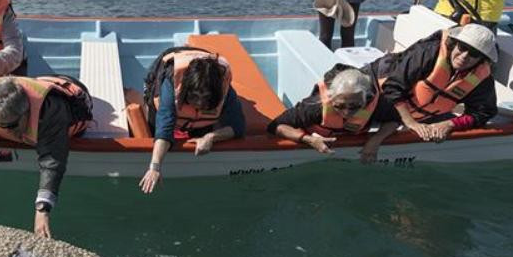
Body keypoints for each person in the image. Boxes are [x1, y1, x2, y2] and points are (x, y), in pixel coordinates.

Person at [0, 74, 92, 238]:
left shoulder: (51, 111)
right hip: (38, 82)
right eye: (0, 125)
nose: (8, 131)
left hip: (72, 90)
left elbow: (52, 162)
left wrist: (42, 210)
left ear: (27, 112)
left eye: (12, 125)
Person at [139, 47, 246, 193]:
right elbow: (165, 124)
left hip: (204, 64)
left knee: (203, 133)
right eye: (195, 99)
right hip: (170, 62)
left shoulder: (223, 87)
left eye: (205, 101)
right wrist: (155, 167)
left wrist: (211, 137)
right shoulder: (172, 81)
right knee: (155, 123)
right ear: (186, 91)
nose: (200, 105)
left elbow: (238, 126)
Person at [376, 24, 498, 142]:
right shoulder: (427, 52)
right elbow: (392, 86)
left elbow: (484, 112)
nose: (464, 56)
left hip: (419, 116)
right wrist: (411, 123)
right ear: (454, 44)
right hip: (379, 97)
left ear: (482, 59)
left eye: (474, 54)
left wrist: (451, 124)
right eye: (462, 47)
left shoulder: (481, 79)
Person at [268, 65, 401, 164]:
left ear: (366, 98)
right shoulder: (315, 106)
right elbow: (276, 125)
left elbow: (394, 120)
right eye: (339, 106)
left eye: (355, 106)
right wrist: (308, 139)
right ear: (331, 98)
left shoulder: (376, 102)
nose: (346, 113)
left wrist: (375, 141)